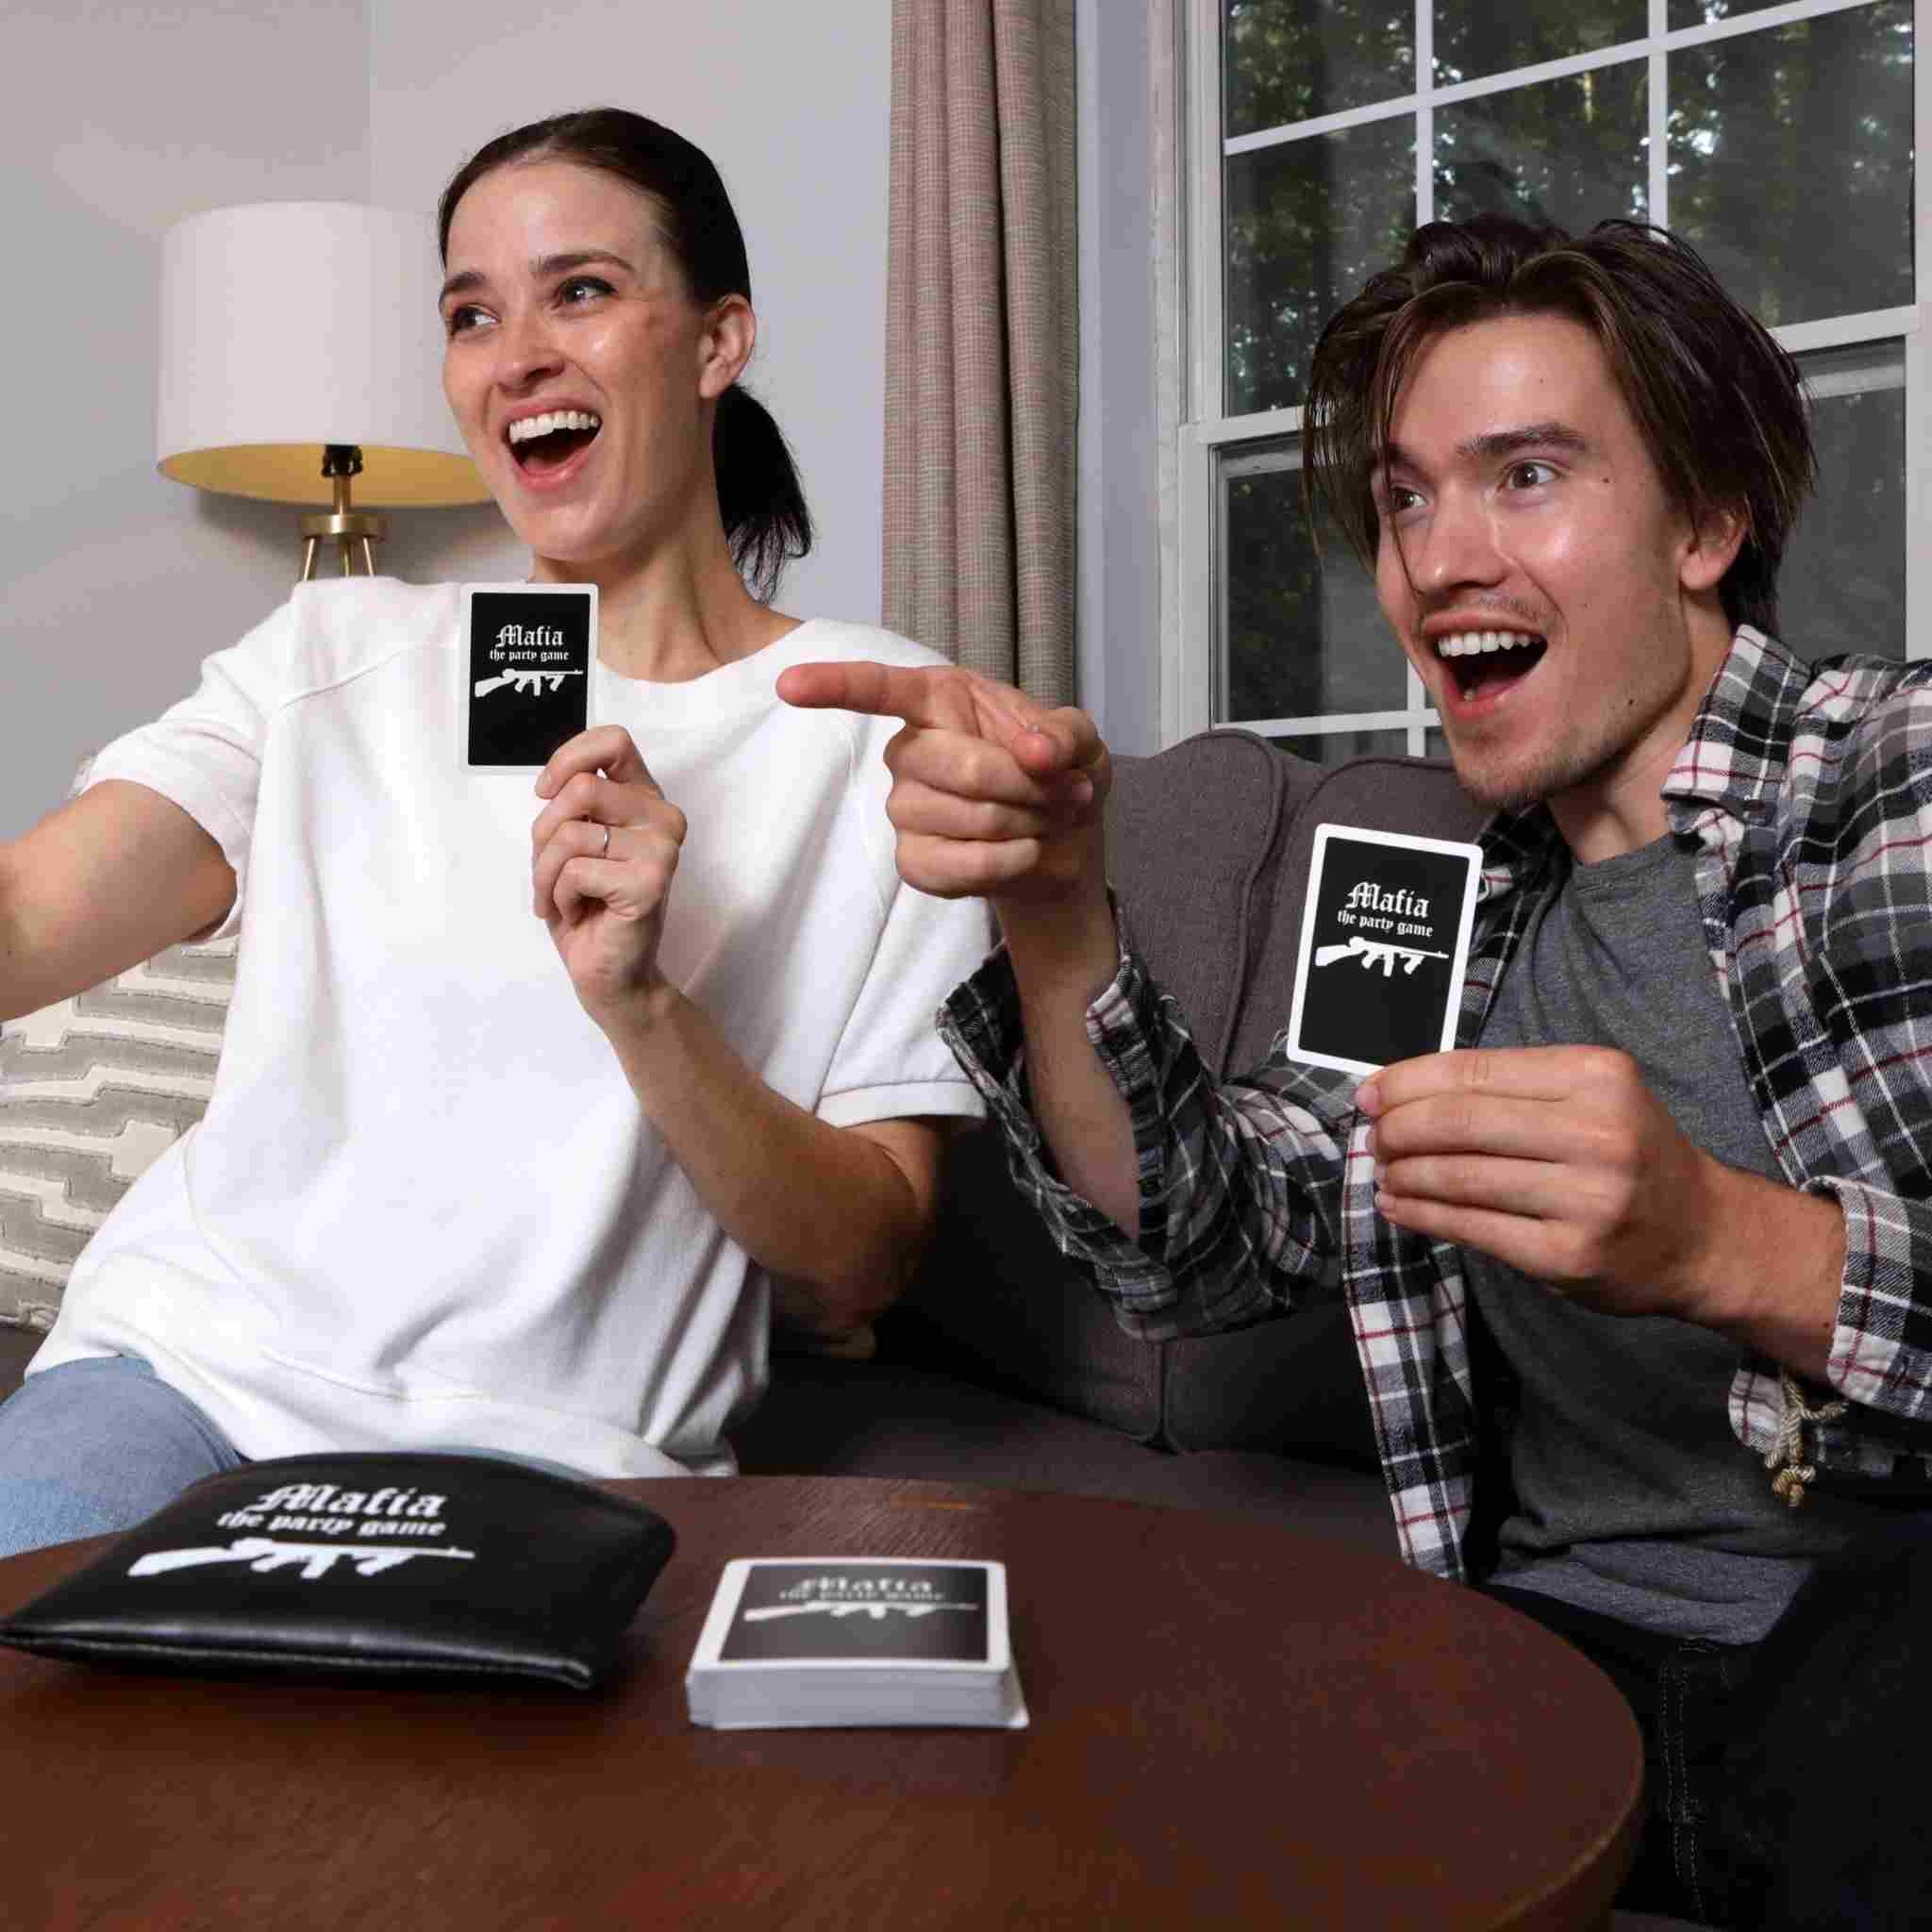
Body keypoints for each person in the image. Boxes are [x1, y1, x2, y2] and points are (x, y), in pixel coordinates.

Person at [779, 216, 1932, 1928]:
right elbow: (1210, 1237)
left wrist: (1726, 1245)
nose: (1441, 558)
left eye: (1525, 475)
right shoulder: (1442, 892)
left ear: (1705, 521)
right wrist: (1053, 909)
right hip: (1547, 1675)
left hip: (1867, 1671)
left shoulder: (1893, 792)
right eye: (1403, 499)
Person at [0, 108, 990, 1555]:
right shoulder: (336, 649)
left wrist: (642, 1003)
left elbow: (857, 1269)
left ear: (719, 342)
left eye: (579, 291)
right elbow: (29, 914)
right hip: (180, 1383)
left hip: (556, 1464)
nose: (515, 351)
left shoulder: (879, 727)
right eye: (473, 312)